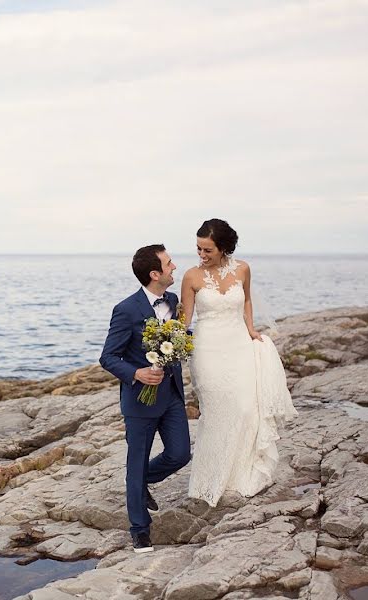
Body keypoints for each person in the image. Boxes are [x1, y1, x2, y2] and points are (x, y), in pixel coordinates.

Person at [180, 219, 297, 507]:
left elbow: (245, 301)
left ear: (223, 248)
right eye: (198, 248)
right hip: (207, 350)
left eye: (207, 250)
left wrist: (251, 328)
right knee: (217, 413)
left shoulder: (242, 269)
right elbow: (185, 320)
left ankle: (239, 474)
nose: (201, 255)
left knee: (246, 408)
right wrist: (172, 344)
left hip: (238, 345)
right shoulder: (191, 276)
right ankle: (210, 479)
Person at [100, 244, 192, 554]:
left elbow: (178, 338)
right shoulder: (125, 310)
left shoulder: (173, 301)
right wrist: (137, 374)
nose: (174, 268)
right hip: (140, 400)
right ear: (155, 274)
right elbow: (108, 357)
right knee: (135, 461)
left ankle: (140, 483)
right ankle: (139, 530)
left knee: (180, 454)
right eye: (169, 264)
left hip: (172, 395)